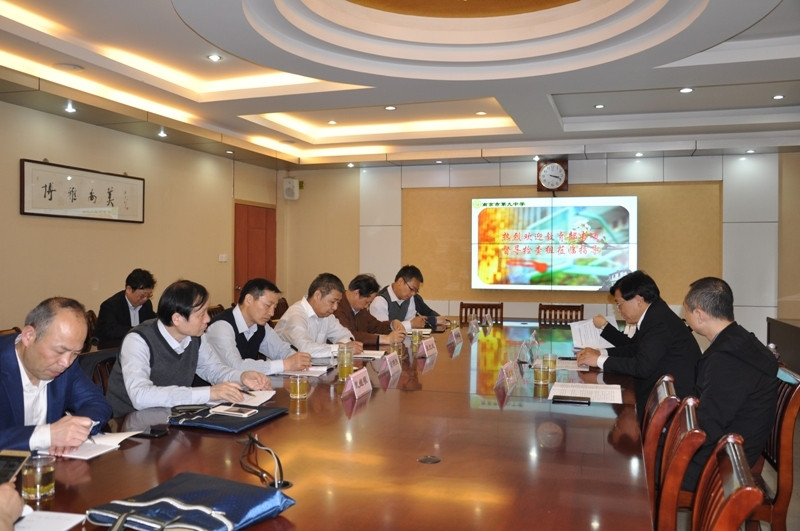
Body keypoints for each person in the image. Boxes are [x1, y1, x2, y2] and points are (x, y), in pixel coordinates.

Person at [105, 280, 270, 417]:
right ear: (177, 318)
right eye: (201, 314)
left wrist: (241, 377)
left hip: (170, 417)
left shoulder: (195, 336)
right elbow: (140, 396)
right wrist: (209, 393)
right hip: (128, 423)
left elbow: (213, 370)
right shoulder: (138, 340)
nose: (207, 319)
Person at [680, 277, 778, 491]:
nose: (684, 316)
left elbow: (709, 425)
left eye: (686, 310)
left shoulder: (727, 358)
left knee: (642, 467)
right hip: (730, 450)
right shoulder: (740, 340)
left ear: (699, 314)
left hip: (724, 465)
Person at [576, 270, 700, 422]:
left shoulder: (658, 322)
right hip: (664, 394)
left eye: (619, 304)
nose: (619, 310)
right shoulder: (655, 314)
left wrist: (598, 360)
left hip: (675, 406)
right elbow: (634, 347)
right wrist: (600, 353)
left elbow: (642, 367)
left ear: (638, 300)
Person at [0, 297, 111, 454]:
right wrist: (48, 435)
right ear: (29, 336)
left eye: (75, 353)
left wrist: (75, 429)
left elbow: (96, 402)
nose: (66, 363)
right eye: (59, 351)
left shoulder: (67, 364)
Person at [206, 278, 312, 374]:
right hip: (213, 388)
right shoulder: (221, 326)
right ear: (249, 299)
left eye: (274, 307)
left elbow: (280, 350)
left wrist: (297, 359)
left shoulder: (260, 325)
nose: (271, 313)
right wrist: (285, 364)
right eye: (267, 305)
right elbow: (235, 366)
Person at [274, 273, 363, 358]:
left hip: (312, 366)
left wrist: (344, 345)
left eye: (338, 303)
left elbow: (346, 335)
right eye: (332, 302)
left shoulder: (327, 316)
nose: (335, 307)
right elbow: (305, 349)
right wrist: (341, 348)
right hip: (283, 367)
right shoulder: (296, 315)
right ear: (317, 295)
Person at [334, 274, 406, 347]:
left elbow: (375, 326)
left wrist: (392, 324)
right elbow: (349, 334)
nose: (366, 306)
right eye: (367, 302)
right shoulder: (336, 307)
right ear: (356, 293)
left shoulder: (360, 308)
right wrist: (386, 339)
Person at [369, 265, 446, 331]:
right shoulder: (380, 301)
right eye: (412, 289)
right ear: (400, 281)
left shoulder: (409, 298)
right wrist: (411, 324)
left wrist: (413, 324)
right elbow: (382, 330)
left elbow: (410, 324)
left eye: (416, 291)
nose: (413, 294)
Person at [95, 268, 157, 348]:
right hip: (116, 350)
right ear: (129, 289)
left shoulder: (147, 304)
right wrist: (139, 331)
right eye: (142, 296)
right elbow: (110, 331)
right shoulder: (110, 306)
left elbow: (151, 324)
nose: (145, 299)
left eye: (149, 296)